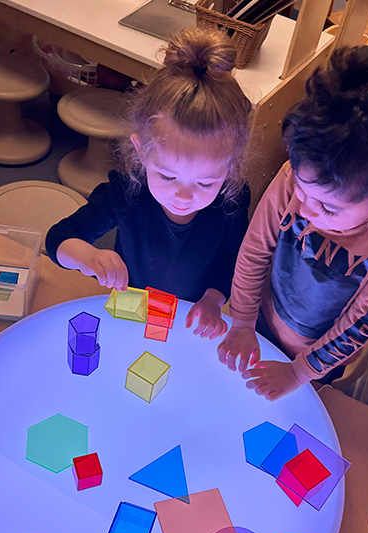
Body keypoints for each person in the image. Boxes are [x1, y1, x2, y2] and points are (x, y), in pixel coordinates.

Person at [217, 45, 368, 399]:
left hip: (317, 360)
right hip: (259, 317)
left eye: (327, 209)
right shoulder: (303, 176)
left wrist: (300, 373)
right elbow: (254, 250)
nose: (305, 208)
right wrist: (242, 321)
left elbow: (363, 321)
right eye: (300, 187)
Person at [46, 28, 252, 339]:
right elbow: (59, 238)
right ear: (141, 151)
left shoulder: (231, 201)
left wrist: (213, 299)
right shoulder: (127, 191)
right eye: (167, 176)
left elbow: (232, 260)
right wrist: (88, 257)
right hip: (131, 310)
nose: (183, 196)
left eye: (206, 183)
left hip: (187, 319)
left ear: (230, 169)